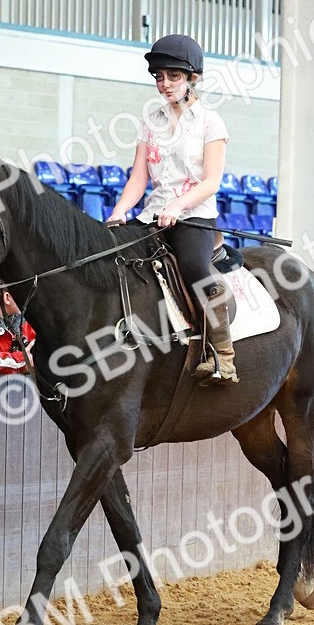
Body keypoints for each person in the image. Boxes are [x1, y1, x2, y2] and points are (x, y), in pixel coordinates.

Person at [106, 33, 235, 383]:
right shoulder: (151, 122)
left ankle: (224, 354)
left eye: (173, 76)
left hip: (195, 216)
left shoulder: (211, 122)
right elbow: (138, 179)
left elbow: (211, 182)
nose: (164, 84)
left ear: (193, 77)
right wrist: (118, 213)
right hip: (153, 214)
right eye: (159, 77)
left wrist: (178, 205)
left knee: (194, 266)